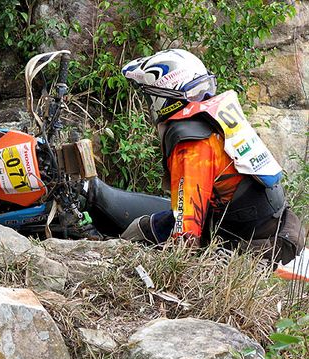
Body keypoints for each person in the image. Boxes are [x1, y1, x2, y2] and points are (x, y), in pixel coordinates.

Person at [119, 49, 307, 281]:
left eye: (150, 97)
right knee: (146, 227)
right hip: (277, 227)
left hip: (256, 247)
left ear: (165, 96)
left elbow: (185, 233)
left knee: (137, 239)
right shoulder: (213, 115)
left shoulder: (191, 143)